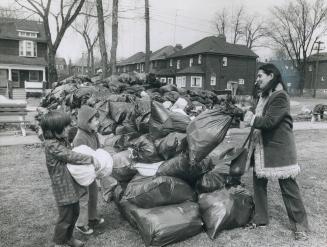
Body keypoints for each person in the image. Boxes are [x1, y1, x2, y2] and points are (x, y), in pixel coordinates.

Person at [244, 64, 309, 241]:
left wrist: (249, 118)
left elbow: (269, 122)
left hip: (279, 149)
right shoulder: (264, 96)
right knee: (258, 183)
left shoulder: (280, 96)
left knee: (288, 187)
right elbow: (257, 113)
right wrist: (245, 111)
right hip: (263, 147)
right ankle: (261, 218)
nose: (257, 80)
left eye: (260, 76)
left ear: (271, 75)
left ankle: (300, 226)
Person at [40, 110, 100, 247]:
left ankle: (69, 238)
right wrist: (90, 159)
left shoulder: (61, 139)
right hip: (62, 186)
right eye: (65, 126)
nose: (68, 128)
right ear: (54, 130)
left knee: (74, 213)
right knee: (65, 217)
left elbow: (71, 150)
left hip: (70, 183)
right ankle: (59, 243)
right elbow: (70, 156)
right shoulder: (51, 145)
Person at [72, 105, 104, 235]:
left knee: (93, 194)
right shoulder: (79, 138)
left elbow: (96, 150)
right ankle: (80, 223)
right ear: (87, 122)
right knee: (84, 197)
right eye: (95, 120)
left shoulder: (93, 133)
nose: (98, 122)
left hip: (90, 170)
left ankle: (91, 217)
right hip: (81, 172)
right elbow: (79, 157)